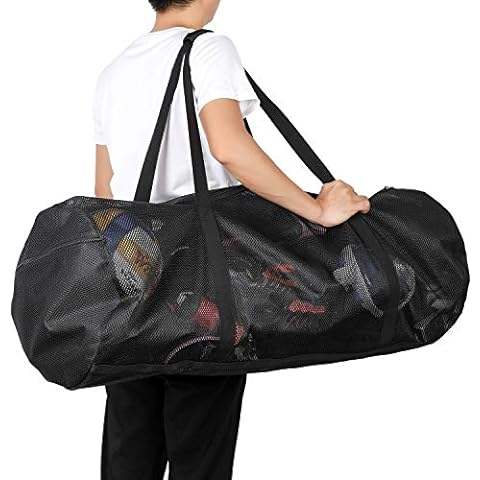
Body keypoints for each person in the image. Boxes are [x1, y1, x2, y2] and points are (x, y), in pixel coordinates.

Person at [94, 1, 371, 479]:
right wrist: (317, 209)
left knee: (128, 450)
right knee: (200, 451)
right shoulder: (207, 49)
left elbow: (105, 191)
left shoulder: (114, 71)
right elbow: (228, 146)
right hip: (205, 280)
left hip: (133, 285)